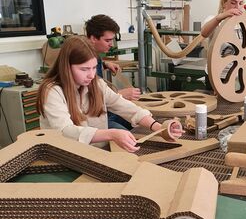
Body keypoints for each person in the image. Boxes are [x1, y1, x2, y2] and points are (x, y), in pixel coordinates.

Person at [36, 36, 183, 152]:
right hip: (67, 157)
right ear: (66, 66)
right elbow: (65, 131)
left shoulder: (96, 84)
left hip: (97, 153)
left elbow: (124, 106)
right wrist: (111, 134)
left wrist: (158, 127)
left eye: (94, 68)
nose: (91, 75)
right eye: (84, 69)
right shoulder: (52, 91)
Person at [85, 14, 140, 130]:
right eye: (107, 40)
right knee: (126, 135)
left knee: (139, 123)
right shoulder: (82, 60)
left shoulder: (93, 54)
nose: (111, 44)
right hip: (92, 120)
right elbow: (87, 99)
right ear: (93, 38)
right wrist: (120, 94)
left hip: (105, 110)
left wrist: (105, 64)